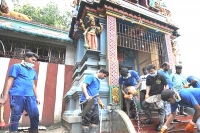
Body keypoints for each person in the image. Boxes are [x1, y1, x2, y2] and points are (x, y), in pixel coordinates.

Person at [0, 52, 40, 133]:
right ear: (26, 57)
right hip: (17, 95)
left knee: (35, 114)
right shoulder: (16, 66)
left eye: (35, 61)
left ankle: (34, 130)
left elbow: (33, 84)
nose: (34, 62)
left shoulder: (32, 71)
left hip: (30, 96)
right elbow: (9, 81)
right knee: (16, 115)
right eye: (32, 60)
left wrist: (37, 96)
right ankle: (13, 131)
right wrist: (4, 97)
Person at [80, 69, 109, 133]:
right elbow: (83, 86)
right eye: (104, 76)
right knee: (86, 121)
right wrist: (87, 96)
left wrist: (100, 102)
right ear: (101, 72)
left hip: (95, 103)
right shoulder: (91, 77)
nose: (104, 78)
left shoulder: (98, 81)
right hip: (86, 102)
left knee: (95, 120)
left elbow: (96, 93)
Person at [142, 64, 168, 131]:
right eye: (149, 71)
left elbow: (166, 85)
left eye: (152, 71)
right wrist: (147, 94)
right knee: (144, 104)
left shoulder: (161, 76)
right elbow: (148, 86)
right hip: (152, 95)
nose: (150, 72)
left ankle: (161, 124)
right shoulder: (148, 77)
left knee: (161, 109)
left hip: (160, 95)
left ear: (155, 69)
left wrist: (165, 92)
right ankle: (149, 119)